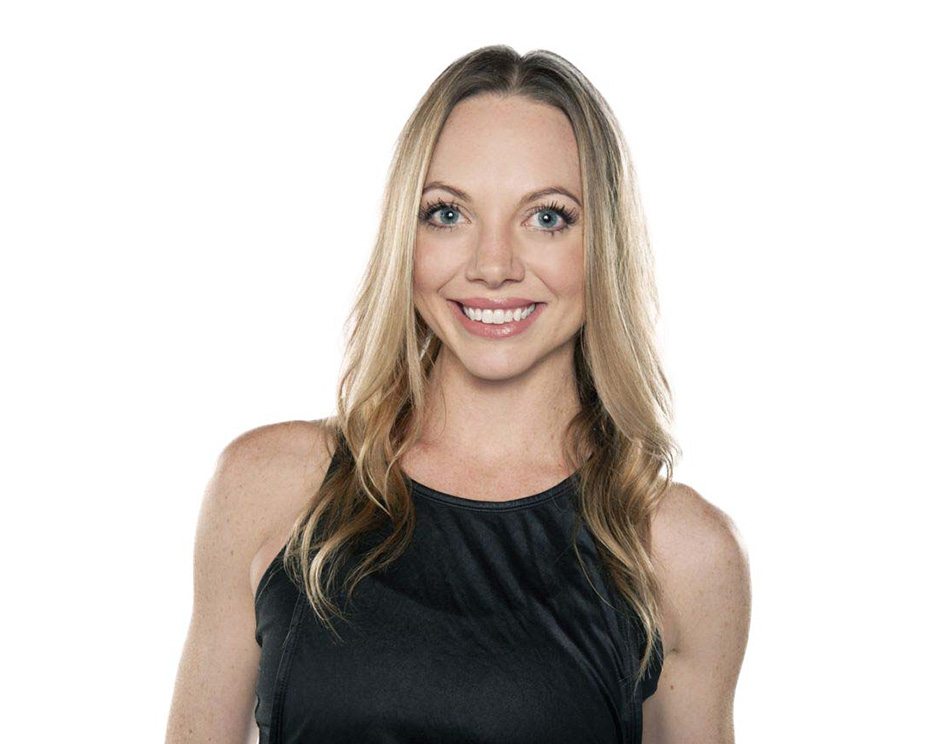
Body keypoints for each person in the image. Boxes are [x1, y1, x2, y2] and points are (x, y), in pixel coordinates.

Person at [165, 45, 751, 744]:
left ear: (603, 246)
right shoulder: (268, 488)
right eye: (448, 213)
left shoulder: (677, 552)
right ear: (404, 239)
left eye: (548, 217)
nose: (494, 265)